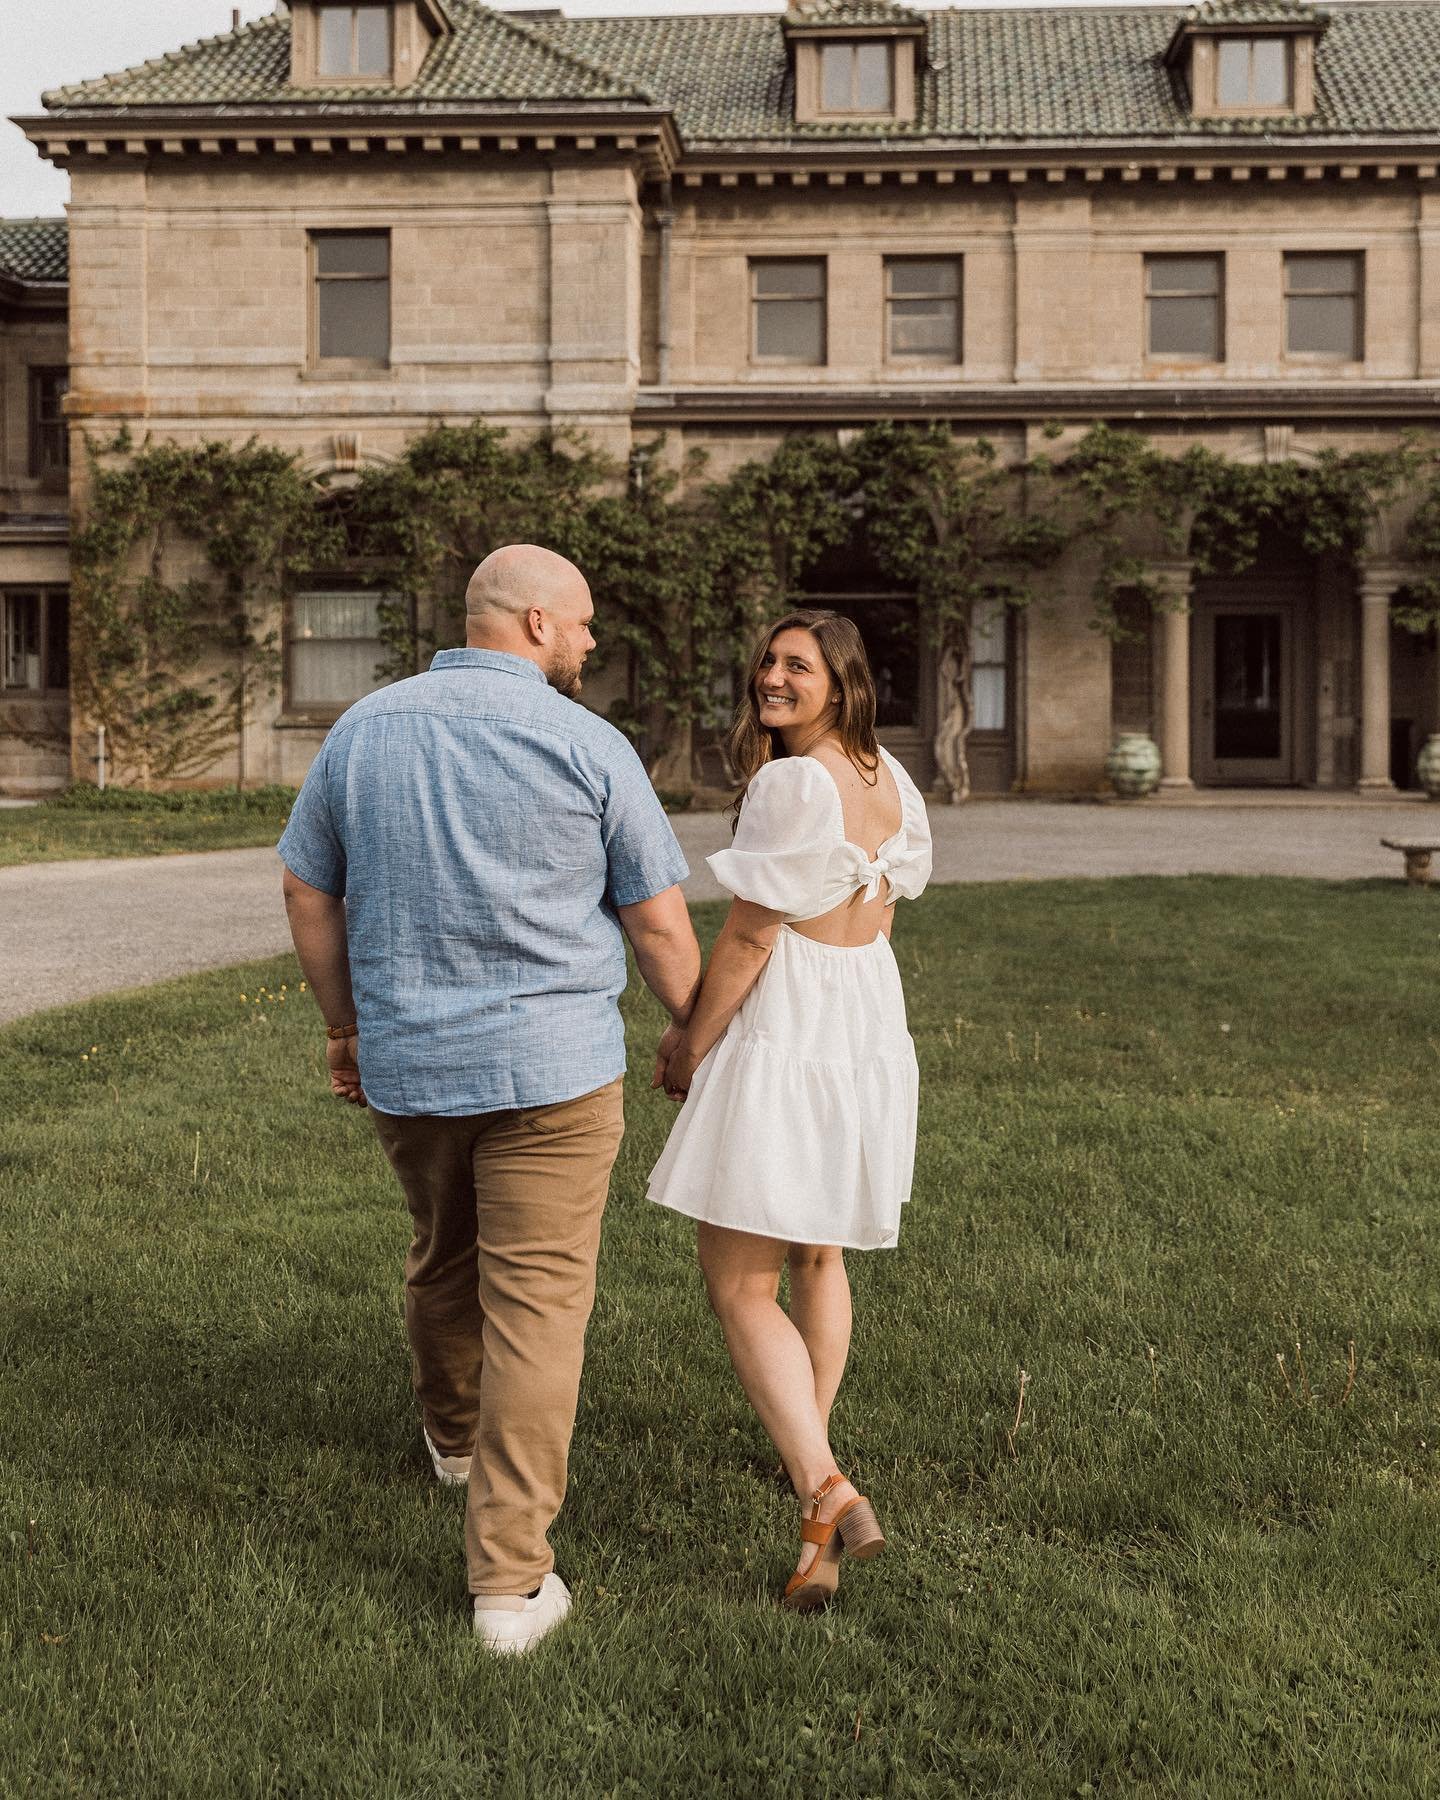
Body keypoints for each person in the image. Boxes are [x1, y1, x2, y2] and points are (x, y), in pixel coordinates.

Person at [278, 544, 699, 1654]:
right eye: (585, 624)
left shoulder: (364, 729)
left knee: (441, 1255)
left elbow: (306, 885)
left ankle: (454, 1441)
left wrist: (343, 1025)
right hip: (554, 1074)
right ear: (533, 623)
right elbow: (656, 919)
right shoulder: (588, 742)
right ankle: (509, 1588)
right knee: (539, 1309)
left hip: (410, 1066)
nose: (594, 642)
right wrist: (694, 1029)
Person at [648, 609, 931, 1612]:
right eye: (766, 658)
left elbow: (755, 934)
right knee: (818, 1252)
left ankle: (821, 1485)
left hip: (795, 1020)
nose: (771, 675)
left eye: (796, 666)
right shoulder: (889, 777)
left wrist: (690, 1039)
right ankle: (807, 1448)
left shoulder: (790, 781)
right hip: (862, 1017)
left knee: (736, 1277)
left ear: (842, 681)